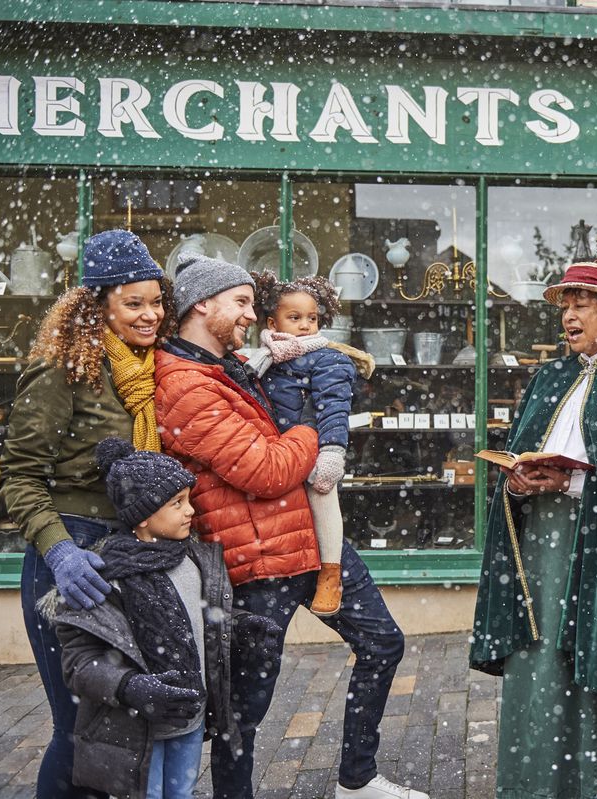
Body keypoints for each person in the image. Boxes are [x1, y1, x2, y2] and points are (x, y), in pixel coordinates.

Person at [152, 254, 425, 799]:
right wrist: (316, 433)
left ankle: (358, 778)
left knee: (382, 644)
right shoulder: (185, 382)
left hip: (307, 539)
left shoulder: (233, 365)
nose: (254, 316)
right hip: (255, 561)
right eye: (243, 303)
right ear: (202, 304)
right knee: (244, 710)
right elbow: (266, 469)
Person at [470, 261, 597, 798]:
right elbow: (517, 453)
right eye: (564, 305)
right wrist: (519, 483)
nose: (568, 315)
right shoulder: (549, 377)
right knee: (543, 662)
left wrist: (574, 487)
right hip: (541, 554)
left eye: (581, 304)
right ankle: (540, 784)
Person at [0, 229, 172, 799]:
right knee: (77, 727)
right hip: (71, 556)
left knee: (119, 726)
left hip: (126, 558)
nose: (151, 314)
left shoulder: (149, 371)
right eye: (134, 303)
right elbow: (20, 474)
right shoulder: (63, 369)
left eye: (156, 300)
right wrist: (58, 549)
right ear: (96, 305)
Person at [41, 438, 282, 799]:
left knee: (180, 792)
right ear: (143, 516)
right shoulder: (108, 577)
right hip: (137, 728)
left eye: (188, 500)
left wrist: (242, 626)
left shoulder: (197, 561)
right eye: (177, 503)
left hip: (189, 715)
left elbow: (205, 621)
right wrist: (131, 687)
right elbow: (79, 662)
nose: (190, 512)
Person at [245, 270, 360, 616]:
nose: (305, 325)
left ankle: (330, 571)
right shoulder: (262, 359)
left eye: (312, 318)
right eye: (294, 318)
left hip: (310, 450)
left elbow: (334, 409)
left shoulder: (327, 359)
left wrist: (331, 452)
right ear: (271, 321)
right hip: (276, 454)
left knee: (324, 498)